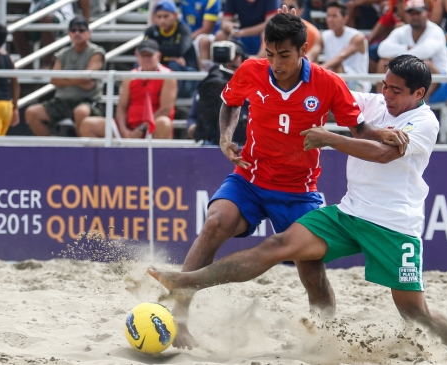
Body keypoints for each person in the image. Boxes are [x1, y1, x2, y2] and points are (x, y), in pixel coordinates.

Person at [148, 54, 447, 365]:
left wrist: (330, 138)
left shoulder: (425, 122)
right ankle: (187, 281)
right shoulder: (373, 102)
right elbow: (323, 89)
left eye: (397, 90)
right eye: (384, 85)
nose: (387, 94)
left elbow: (382, 154)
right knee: (277, 245)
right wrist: (295, 48)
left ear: (419, 94)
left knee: (415, 313)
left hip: (394, 225)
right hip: (348, 214)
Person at [164, 9, 410, 350]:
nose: (276, 63)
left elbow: (360, 129)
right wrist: (225, 136)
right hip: (249, 177)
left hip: (298, 190)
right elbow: (230, 103)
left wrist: (382, 133)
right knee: (215, 223)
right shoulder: (251, 70)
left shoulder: (327, 82)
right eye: (270, 54)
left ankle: (324, 334)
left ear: (303, 50)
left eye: (284, 55)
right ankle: (178, 319)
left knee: (311, 271)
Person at [78, 39, 177, 139]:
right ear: (137, 56)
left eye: (149, 55)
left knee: (164, 123)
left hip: (152, 127)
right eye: (143, 55)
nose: (146, 58)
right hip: (129, 126)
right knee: (88, 125)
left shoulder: (167, 76)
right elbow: (121, 107)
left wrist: (141, 128)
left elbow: (166, 109)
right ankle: (110, 155)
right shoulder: (130, 76)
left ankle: (155, 155)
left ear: (158, 56)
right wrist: (124, 130)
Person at [25, 16, 105, 136]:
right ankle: (52, 150)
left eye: (81, 30)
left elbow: (87, 76)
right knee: (31, 112)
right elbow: (54, 79)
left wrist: (66, 80)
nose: (77, 33)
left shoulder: (96, 52)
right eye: (73, 30)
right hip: (61, 101)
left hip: (88, 101)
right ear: (69, 33)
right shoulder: (62, 54)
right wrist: (78, 82)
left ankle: (81, 151)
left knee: (80, 112)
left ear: (89, 33)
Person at [377, 0, 447, 103]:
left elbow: (424, 52)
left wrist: (399, 55)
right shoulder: (402, 31)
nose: (415, 16)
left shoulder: (436, 31)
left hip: (443, 85)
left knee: (425, 65)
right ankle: (382, 102)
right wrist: (406, 49)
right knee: (384, 62)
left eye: (418, 12)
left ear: (427, 13)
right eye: (411, 13)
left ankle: (420, 108)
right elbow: (382, 49)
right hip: (411, 79)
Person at [187, 40, 248, 145]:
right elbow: (193, 115)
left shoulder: (251, 83)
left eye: (235, 55)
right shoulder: (210, 83)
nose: (231, 60)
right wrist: (192, 126)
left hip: (243, 141)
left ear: (243, 59)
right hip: (212, 141)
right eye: (228, 55)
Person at [311, 1, 371, 92]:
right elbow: (312, 53)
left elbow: (341, 56)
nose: (330, 19)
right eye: (328, 16)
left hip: (358, 83)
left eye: (334, 16)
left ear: (345, 18)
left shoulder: (357, 37)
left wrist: (319, 70)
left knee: (336, 67)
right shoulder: (324, 36)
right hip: (334, 78)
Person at [144, 0, 198, 97]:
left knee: (173, 65)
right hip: (161, 66)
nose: (162, 20)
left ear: (175, 15)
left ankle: (171, 96)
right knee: (144, 62)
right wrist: (166, 57)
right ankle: (145, 94)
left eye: (166, 16)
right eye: (159, 17)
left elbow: (179, 50)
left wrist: (157, 53)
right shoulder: (151, 31)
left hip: (186, 71)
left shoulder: (184, 29)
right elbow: (144, 50)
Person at [12, 0, 75, 69]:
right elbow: (32, 11)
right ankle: (27, 65)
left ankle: (47, 63)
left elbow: (68, 16)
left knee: (45, 18)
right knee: (17, 23)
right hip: (37, 16)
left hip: (61, 18)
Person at [215, 0, 280, 56]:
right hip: (240, 34)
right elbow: (225, 22)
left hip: (260, 34)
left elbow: (270, 23)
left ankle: (260, 62)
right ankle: (221, 67)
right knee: (220, 35)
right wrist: (230, 28)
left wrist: (243, 32)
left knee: (268, 34)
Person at [179, 0, 222, 71]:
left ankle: (205, 75)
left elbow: (207, 29)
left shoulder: (212, 1)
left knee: (204, 42)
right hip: (186, 36)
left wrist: (186, 40)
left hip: (208, 35)